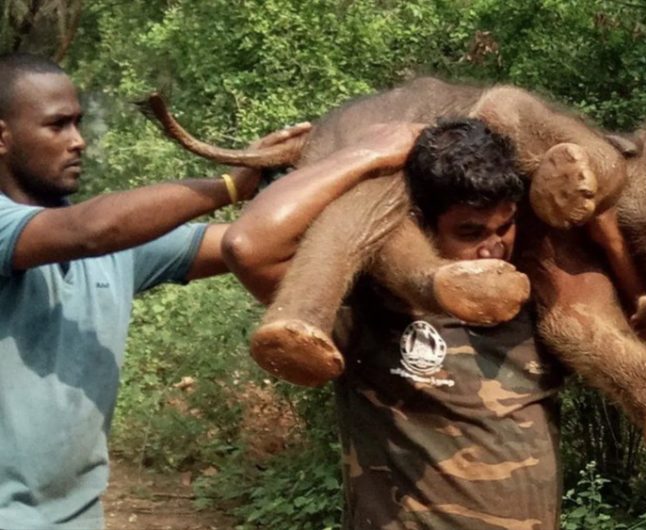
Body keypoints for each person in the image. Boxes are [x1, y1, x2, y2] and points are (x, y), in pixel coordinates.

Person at [0, 52, 309, 529]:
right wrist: (230, 182)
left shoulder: (116, 248)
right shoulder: (47, 231)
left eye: (79, 123)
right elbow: (91, 228)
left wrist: (321, 176)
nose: (78, 142)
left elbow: (242, 244)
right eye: (57, 126)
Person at [225, 118, 565, 529]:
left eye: (504, 226)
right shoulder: (368, 300)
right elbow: (248, 248)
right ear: (420, 222)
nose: (493, 246)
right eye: (470, 231)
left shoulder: (538, 294)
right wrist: (366, 155)